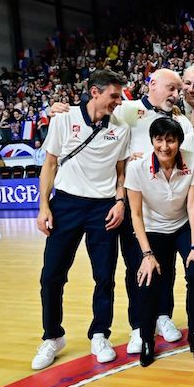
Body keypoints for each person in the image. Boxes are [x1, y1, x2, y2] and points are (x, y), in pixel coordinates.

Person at [31, 70, 131, 370]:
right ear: (95, 92)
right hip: (66, 205)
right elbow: (49, 165)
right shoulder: (63, 119)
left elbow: (121, 172)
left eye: (120, 95)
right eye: (114, 95)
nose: (118, 100)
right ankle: (52, 336)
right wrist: (43, 207)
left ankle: (100, 334)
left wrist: (120, 201)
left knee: (104, 276)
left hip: (103, 208)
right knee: (51, 275)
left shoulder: (121, 128)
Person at [124, 117, 194, 366]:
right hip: (152, 229)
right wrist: (147, 255)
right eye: (159, 140)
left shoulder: (192, 159)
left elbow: (193, 205)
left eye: (170, 140)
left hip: (181, 226)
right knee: (147, 279)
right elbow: (135, 214)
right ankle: (147, 339)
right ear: (152, 141)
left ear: (179, 142)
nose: (164, 146)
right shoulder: (137, 168)